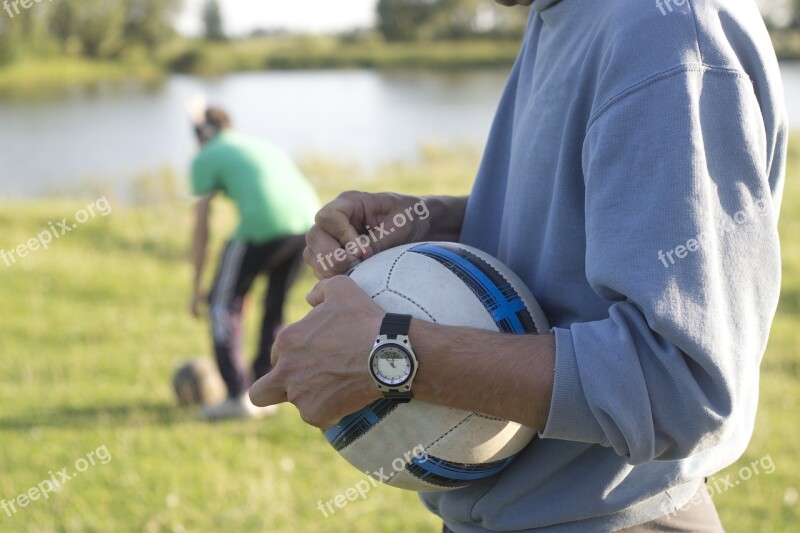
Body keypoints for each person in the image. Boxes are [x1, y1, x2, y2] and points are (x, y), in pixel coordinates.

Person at [250, 0, 786, 530]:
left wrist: (385, 353)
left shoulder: (663, 32)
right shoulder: (561, 12)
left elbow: (682, 386)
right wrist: (436, 221)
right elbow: (585, 236)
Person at [189, 107, 320, 421]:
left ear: (201, 136)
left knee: (221, 308)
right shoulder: (258, 145)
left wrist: (197, 290)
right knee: (274, 305)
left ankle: (237, 397)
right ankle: (266, 389)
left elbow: (201, 226)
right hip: (306, 226)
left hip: (260, 230)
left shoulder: (206, 155)